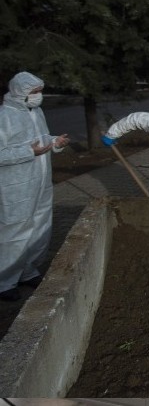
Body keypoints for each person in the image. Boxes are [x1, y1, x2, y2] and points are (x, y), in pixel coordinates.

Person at [0, 71, 70, 301]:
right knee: (15, 232)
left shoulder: (36, 111)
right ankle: (5, 281)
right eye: (34, 92)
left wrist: (54, 142)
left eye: (39, 92)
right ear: (20, 93)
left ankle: (28, 271)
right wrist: (29, 152)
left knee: (40, 227)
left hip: (41, 184)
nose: (38, 96)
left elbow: (40, 139)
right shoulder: (5, 116)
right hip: (16, 187)